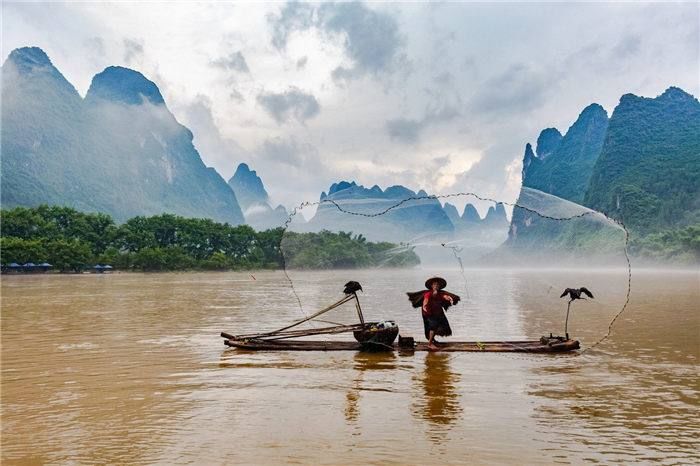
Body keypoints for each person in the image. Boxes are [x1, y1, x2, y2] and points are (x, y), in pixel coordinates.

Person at [407, 277, 460, 351]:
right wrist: (425, 306)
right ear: (431, 286)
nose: (436, 286)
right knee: (433, 326)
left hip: (438, 312)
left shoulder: (440, 293)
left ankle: (433, 340)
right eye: (434, 284)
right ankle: (430, 344)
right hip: (428, 313)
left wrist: (449, 298)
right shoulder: (428, 293)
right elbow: (426, 300)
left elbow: (444, 296)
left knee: (440, 325)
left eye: (437, 285)